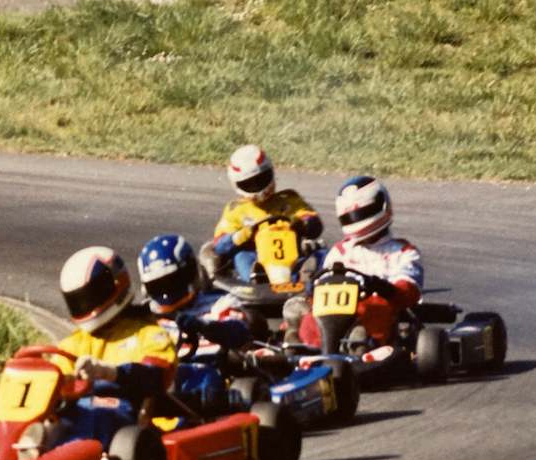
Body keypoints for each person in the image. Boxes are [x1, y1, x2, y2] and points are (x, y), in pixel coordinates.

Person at [0, 246, 176, 460]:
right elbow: (56, 377)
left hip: (121, 411)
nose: (85, 304)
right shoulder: (74, 342)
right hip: (73, 409)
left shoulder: (150, 334)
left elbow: (156, 376)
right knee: (23, 415)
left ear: (114, 284)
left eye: (90, 295)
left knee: (93, 413)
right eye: (78, 299)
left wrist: (109, 372)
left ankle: (47, 456)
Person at [288, 175, 424, 347]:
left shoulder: (403, 252)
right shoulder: (340, 251)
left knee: (376, 306)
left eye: (362, 213)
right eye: (351, 216)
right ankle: (301, 345)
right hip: (335, 309)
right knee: (310, 309)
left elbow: (409, 291)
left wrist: (385, 288)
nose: (358, 220)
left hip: (378, 312)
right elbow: (324, 284)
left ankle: (361, 344)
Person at [137, 234, 252, 411]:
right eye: (158, 285)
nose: (167, 291)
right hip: (155, 373)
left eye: (173, 282)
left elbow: (239, 333)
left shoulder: (220, 302)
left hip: (203, 369)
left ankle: (189, 425)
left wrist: (205, 327)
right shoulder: (145, 314)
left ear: (190, 272)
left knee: (204, 380)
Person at [210, 144, 324, 283]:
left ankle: (303, 277)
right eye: (249, 184)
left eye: (261, 179)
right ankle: (255, 278)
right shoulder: (236, 210)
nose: (258, 189)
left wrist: (302, 223)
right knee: (241, 255)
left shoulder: (288, 200)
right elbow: (219, 245)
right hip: (256, 256)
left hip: (293, 256)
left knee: (322, 252)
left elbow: (313, 223)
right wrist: (240, 236)